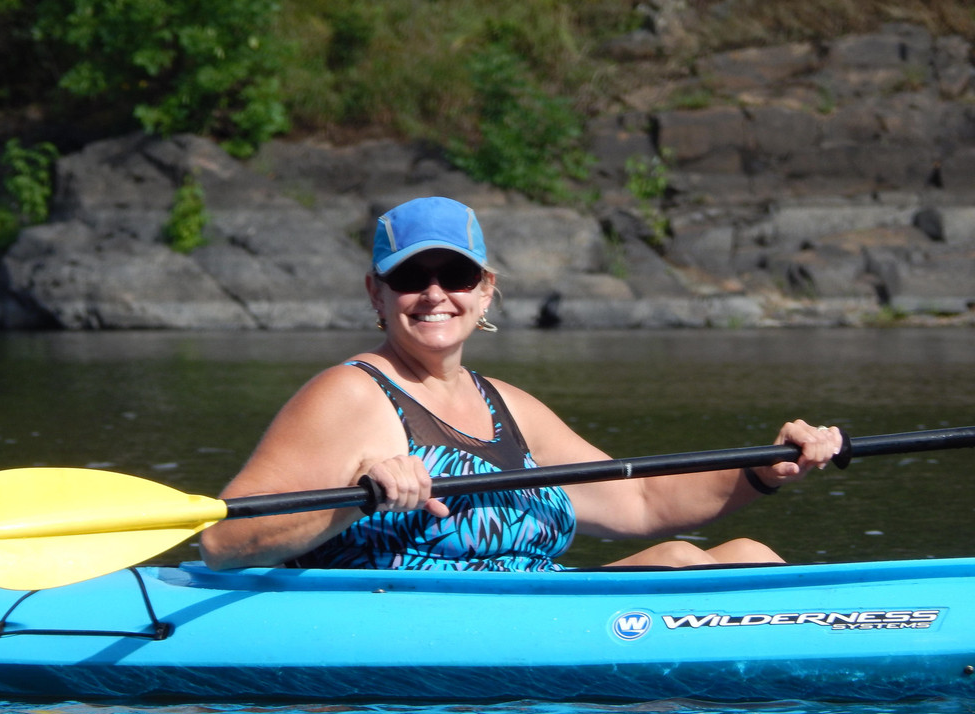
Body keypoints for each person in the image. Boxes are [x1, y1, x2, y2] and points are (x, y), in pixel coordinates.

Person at [199, 196, 842, 572]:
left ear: (486, 290)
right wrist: (355, 497)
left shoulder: (507, 404)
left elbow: (641, 501)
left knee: (733, 557)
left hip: (534, 613)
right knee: (682, 564)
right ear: (376, 292)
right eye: (408, 277)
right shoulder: (350, 394)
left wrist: (768, 469)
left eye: (454, 275)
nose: (433, 294)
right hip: (409, 634)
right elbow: (223, 541)